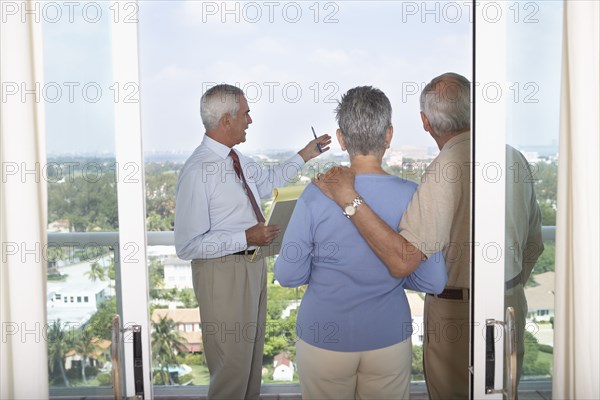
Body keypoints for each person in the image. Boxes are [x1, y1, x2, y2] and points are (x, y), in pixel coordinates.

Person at [274, 86, 447, 400]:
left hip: (322, 334)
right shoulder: (413, 195)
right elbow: (433, 279)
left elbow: (287, 274)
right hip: (388, 335)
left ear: (341, 139)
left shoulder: (316, 193)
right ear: (389, 135)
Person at [313, 73, 472, 399]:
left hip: (457, 313)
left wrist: (347, 198)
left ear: (425, 122)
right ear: (389, 135)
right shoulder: (512, 158)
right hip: (509, 305)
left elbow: (405, 263)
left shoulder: (445, 169)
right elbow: (531, 246)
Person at [174, 84, 331, 400]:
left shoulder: (237, 159)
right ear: (227, 120)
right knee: (231, 371)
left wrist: (306, 154)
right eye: (245, 113)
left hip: (251, 265)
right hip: (221, 274)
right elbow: (186, 245)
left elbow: (268, 183)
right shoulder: (198, 170)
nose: (251, 120)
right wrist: (244, 237)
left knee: (248, 365)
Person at [505, 145, 544, 396]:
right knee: (505, 388)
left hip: (456, 306)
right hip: (510, 299)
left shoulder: (448, 162)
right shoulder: (516, 159)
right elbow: (535, 242)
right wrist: (513, 284)